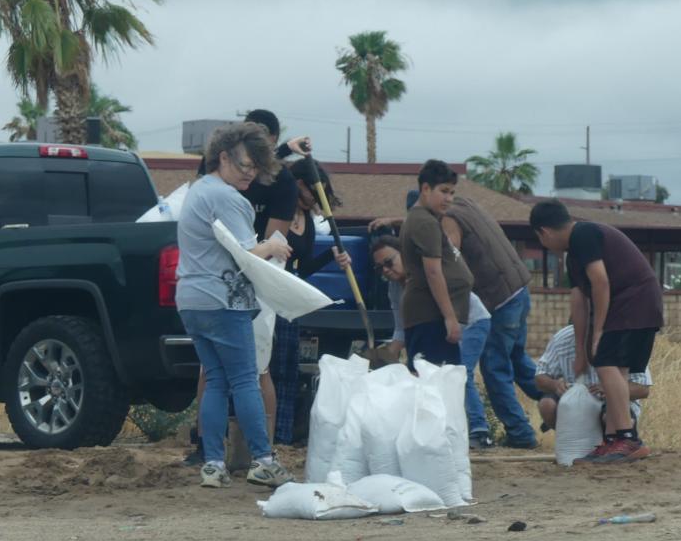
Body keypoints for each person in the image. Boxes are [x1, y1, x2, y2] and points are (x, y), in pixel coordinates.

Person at [184, 109, 311, 465]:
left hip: (206, 293)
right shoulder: (227, 195)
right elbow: (250, 250)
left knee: (224, 375)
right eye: (244, 165)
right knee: (247, 377)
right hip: (227, 294)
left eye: (256, 165)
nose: (250, 173)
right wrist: (270, 247)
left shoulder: (205, 187)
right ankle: (261, 459)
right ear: (225, 157)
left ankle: (215, 459)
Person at [530, 199, 663, 463]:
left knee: (606, 363)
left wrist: (599, 329)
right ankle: (612, 441)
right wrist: (581, 349)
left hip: (634, 301)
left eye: (540, 240)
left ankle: (627, 438)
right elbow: (579, 301)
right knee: (616, 367)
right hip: (632, 305)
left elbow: (600, 282)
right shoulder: (574, 255)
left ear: (543, 232)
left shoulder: (583, 234)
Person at [371, 235, 495, 450]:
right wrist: (385, 360)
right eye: (380, 268)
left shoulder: (424, 274)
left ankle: (480, 431)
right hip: (441, 330)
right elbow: (401, 329)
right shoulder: (395, 290)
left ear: (404, 255)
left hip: (471, 322)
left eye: (389, 262)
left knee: (458, 374)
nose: (386, 270)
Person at [441, 196, 541, 449]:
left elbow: (450, 257)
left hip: (498, 299)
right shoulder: (466, 204)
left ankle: (521, 434)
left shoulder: (448, 220)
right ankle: (565, 402)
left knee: (495, 368)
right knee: (518, 361)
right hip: (519, 290)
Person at [270, 158, 351, 445]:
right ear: (299, 185)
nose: (312, 202)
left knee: (289, 370)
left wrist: (331, 256)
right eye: (311, 195)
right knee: (267, 369)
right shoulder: (276, 210)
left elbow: (302, 269)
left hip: (290, 300)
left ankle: (282, 436)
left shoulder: (309, 223)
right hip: (268, 296)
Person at [399, 159, 473, 367]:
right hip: (429, 317)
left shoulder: (423, 219)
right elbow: (433, 271)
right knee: (437, 387)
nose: (449, 199)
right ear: (425, 188)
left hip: (429, 316)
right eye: (444, 191)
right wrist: (450, 317)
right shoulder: (425, 222)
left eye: (452, 193)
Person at [534, 325, 652, 432]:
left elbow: (643, 389)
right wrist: (555, 385)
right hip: (573, 404)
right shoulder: (562, 338)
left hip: (608, 404)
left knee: (610, 416)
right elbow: (540, 377)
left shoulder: (622, 339)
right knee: (547, 404)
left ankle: (615, 442)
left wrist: (611, 389)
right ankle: (570, 441)